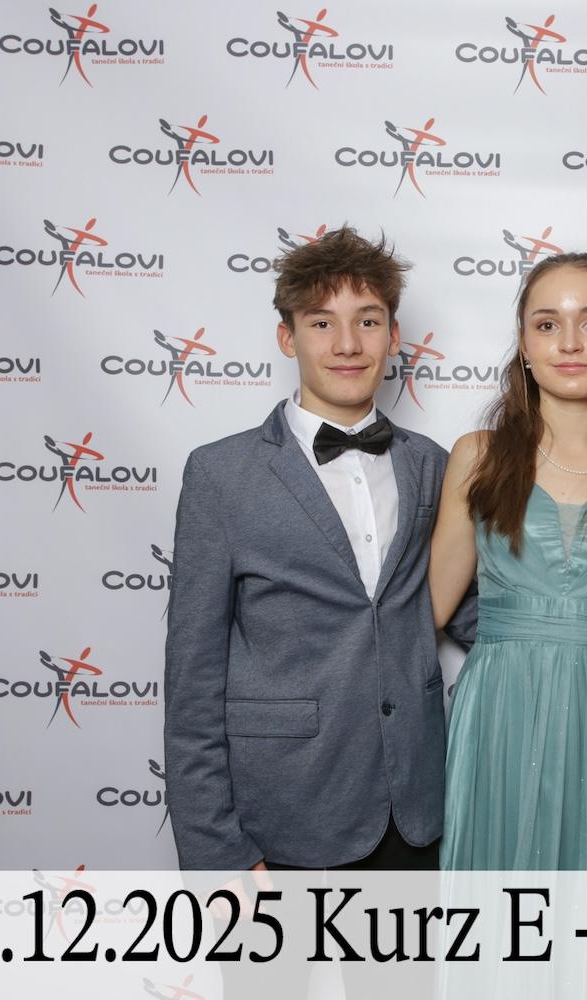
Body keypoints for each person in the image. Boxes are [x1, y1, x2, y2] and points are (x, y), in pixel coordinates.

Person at [163, 225, 474, 874]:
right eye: (322, 322)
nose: (348, 344)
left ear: (394, 335)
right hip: (281, 816)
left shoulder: (433, 465)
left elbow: (472, 611)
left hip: (415, 811)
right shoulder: (221, 475)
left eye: (368, 321)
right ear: (288, 337)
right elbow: (193, 678)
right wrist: (216, 854)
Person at [429, 252, 587, 870]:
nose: (570, 342)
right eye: (547, 324)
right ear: (523, 345)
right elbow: (427, 609)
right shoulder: (477, 457)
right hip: (501, 709)